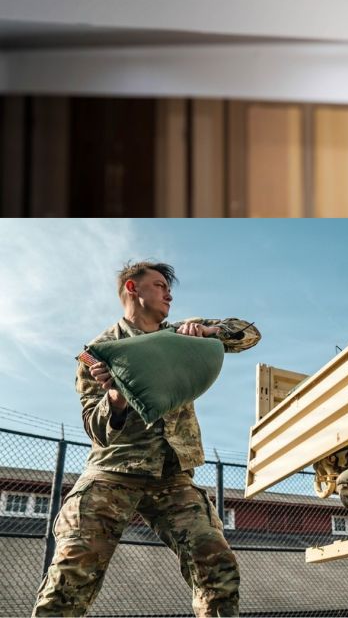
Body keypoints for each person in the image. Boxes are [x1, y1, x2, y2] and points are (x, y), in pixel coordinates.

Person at [33, 261, 261, 617]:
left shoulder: (178, 337)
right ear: (132, 288)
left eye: (168, 288)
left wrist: (208, 330)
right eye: (158, 285)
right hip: (113, 473)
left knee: (218, 569)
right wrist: (116, 398)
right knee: (69, 579)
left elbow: (249, 334)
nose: (168, 293)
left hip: (172, 476)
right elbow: (95, 428)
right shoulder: (99, 352)